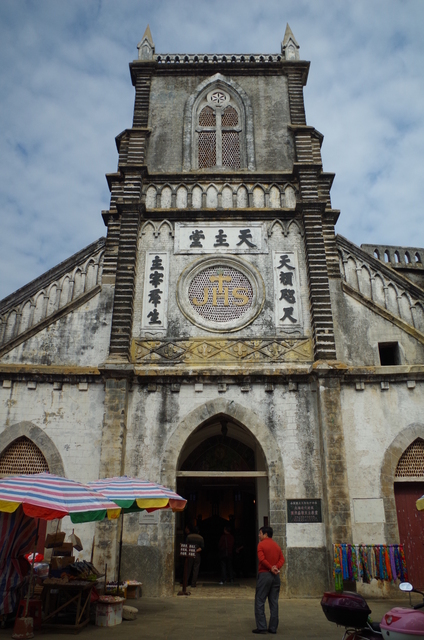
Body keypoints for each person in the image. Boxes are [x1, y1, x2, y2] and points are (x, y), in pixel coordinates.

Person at [252, 526, 285, 635]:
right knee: (274, 602)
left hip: (265, 574)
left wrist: (271, 567)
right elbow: (282, 559)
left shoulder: (261, 545)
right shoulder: (276, 545)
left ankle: (262, 627)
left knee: (260, 600)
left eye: (260, 533)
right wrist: (276, 567)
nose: (259, 535)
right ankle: (273, 627)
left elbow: (261, 559)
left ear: (265, 534)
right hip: (275, 576)